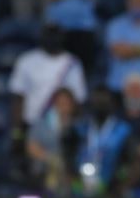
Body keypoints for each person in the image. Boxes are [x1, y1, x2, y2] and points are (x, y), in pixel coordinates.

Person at [10, 24, 87, 157]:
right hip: (31, 122)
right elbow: (18, 98)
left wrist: (74, 128)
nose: (52, 40)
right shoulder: (26, 61)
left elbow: (78, 99)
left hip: (61, 127)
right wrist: (18, 131)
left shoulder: (72, 63)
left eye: (55, 36)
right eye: (49, 36)